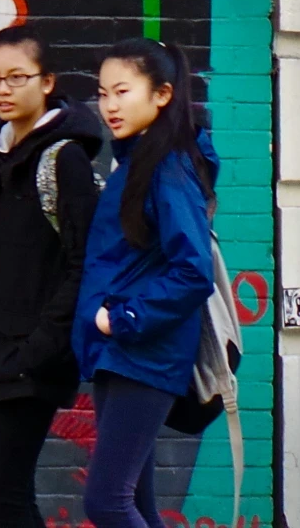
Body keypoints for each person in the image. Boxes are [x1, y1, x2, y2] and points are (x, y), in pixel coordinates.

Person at [0, 26, 103, 528]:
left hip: (31, 357)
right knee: (1, 491)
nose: (2, 89)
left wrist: (43, 345)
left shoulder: (65, 160)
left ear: (47, 83)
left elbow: (84, 263)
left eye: (17, 77)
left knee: (0, 492)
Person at [76, 37, 219, 528]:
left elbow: (193, 270)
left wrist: (123, 319)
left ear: (162, 94)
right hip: (121, 352)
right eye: (102, 93)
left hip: (144, 351)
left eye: (122, 91)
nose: (109, 106)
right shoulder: (136, 163)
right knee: (135, 505)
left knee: (107, 502)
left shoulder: (168, 166)